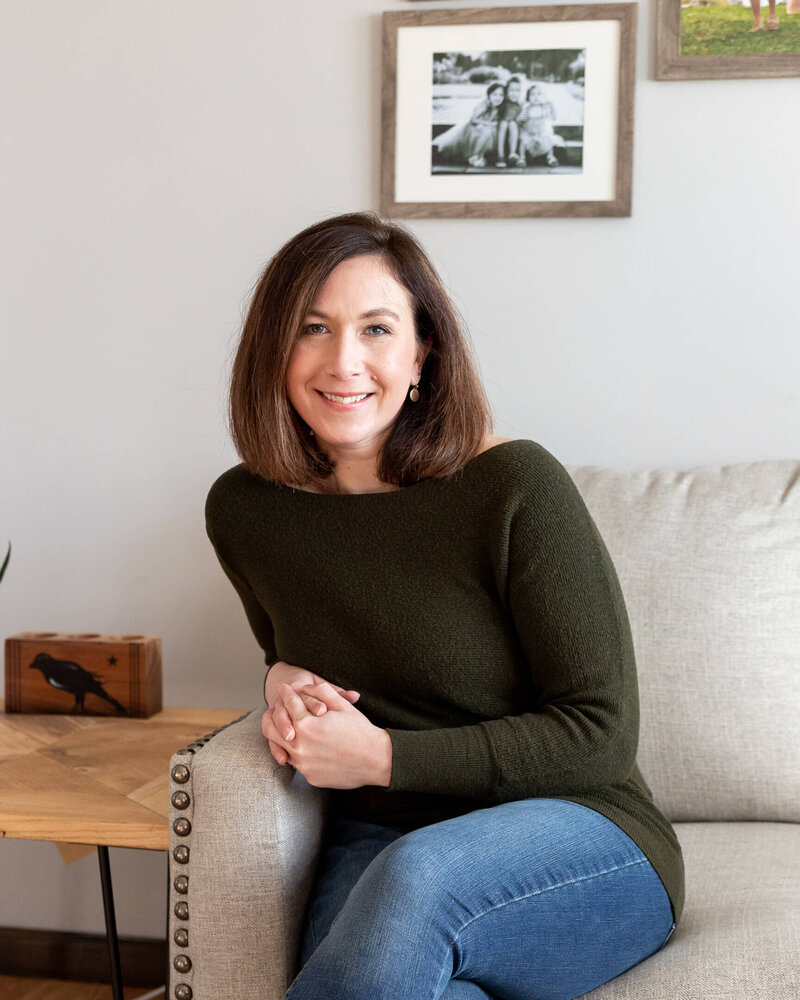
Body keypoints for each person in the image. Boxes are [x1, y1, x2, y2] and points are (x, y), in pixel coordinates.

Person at [206, 212, 685, 1000]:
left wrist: (383, 758)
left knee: (418, 877)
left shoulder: (515, 486)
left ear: (421, 354)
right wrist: (279, 682)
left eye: (377, 329)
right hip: (383, 836)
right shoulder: (245, 512)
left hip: (581, 833)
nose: (344, 361)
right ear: (274, 351)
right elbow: (295, 649)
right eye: (313, 328)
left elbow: (599, 734)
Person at [433, 81, 504, 169]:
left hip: (486, 130)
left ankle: (480, 155)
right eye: (495, 94)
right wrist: (488, 123)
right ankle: (474, 155)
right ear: (489, 95)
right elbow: (473, 119)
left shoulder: (500, 108)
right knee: (486, 130)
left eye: (501, 95)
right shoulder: (484, 105)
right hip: (473, 128)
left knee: (488, 132)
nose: (498, 98)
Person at [518, 83, 560, 168]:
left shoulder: (545, 108)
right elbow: (520, 121)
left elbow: (554, 118)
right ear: (528, 98)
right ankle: (522, 158)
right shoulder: (526, 108)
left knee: (548, 136)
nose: (536, 97)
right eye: (532, 94)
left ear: (543, 96)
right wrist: (521, 118)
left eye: (539, 94)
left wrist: (552, 108)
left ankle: (550, 157)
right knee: (523, 139)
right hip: (529, 135)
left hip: (541, 134)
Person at [496, 76, 523, 168]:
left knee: (512, 123)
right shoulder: (503, 104)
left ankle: (512, 153)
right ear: (506, 92)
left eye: (517, 90)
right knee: (504, 123)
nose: (514, 93)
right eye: (511, 90)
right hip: (501, 133)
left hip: (515, 135)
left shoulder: (520, 106)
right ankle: (500, 156)